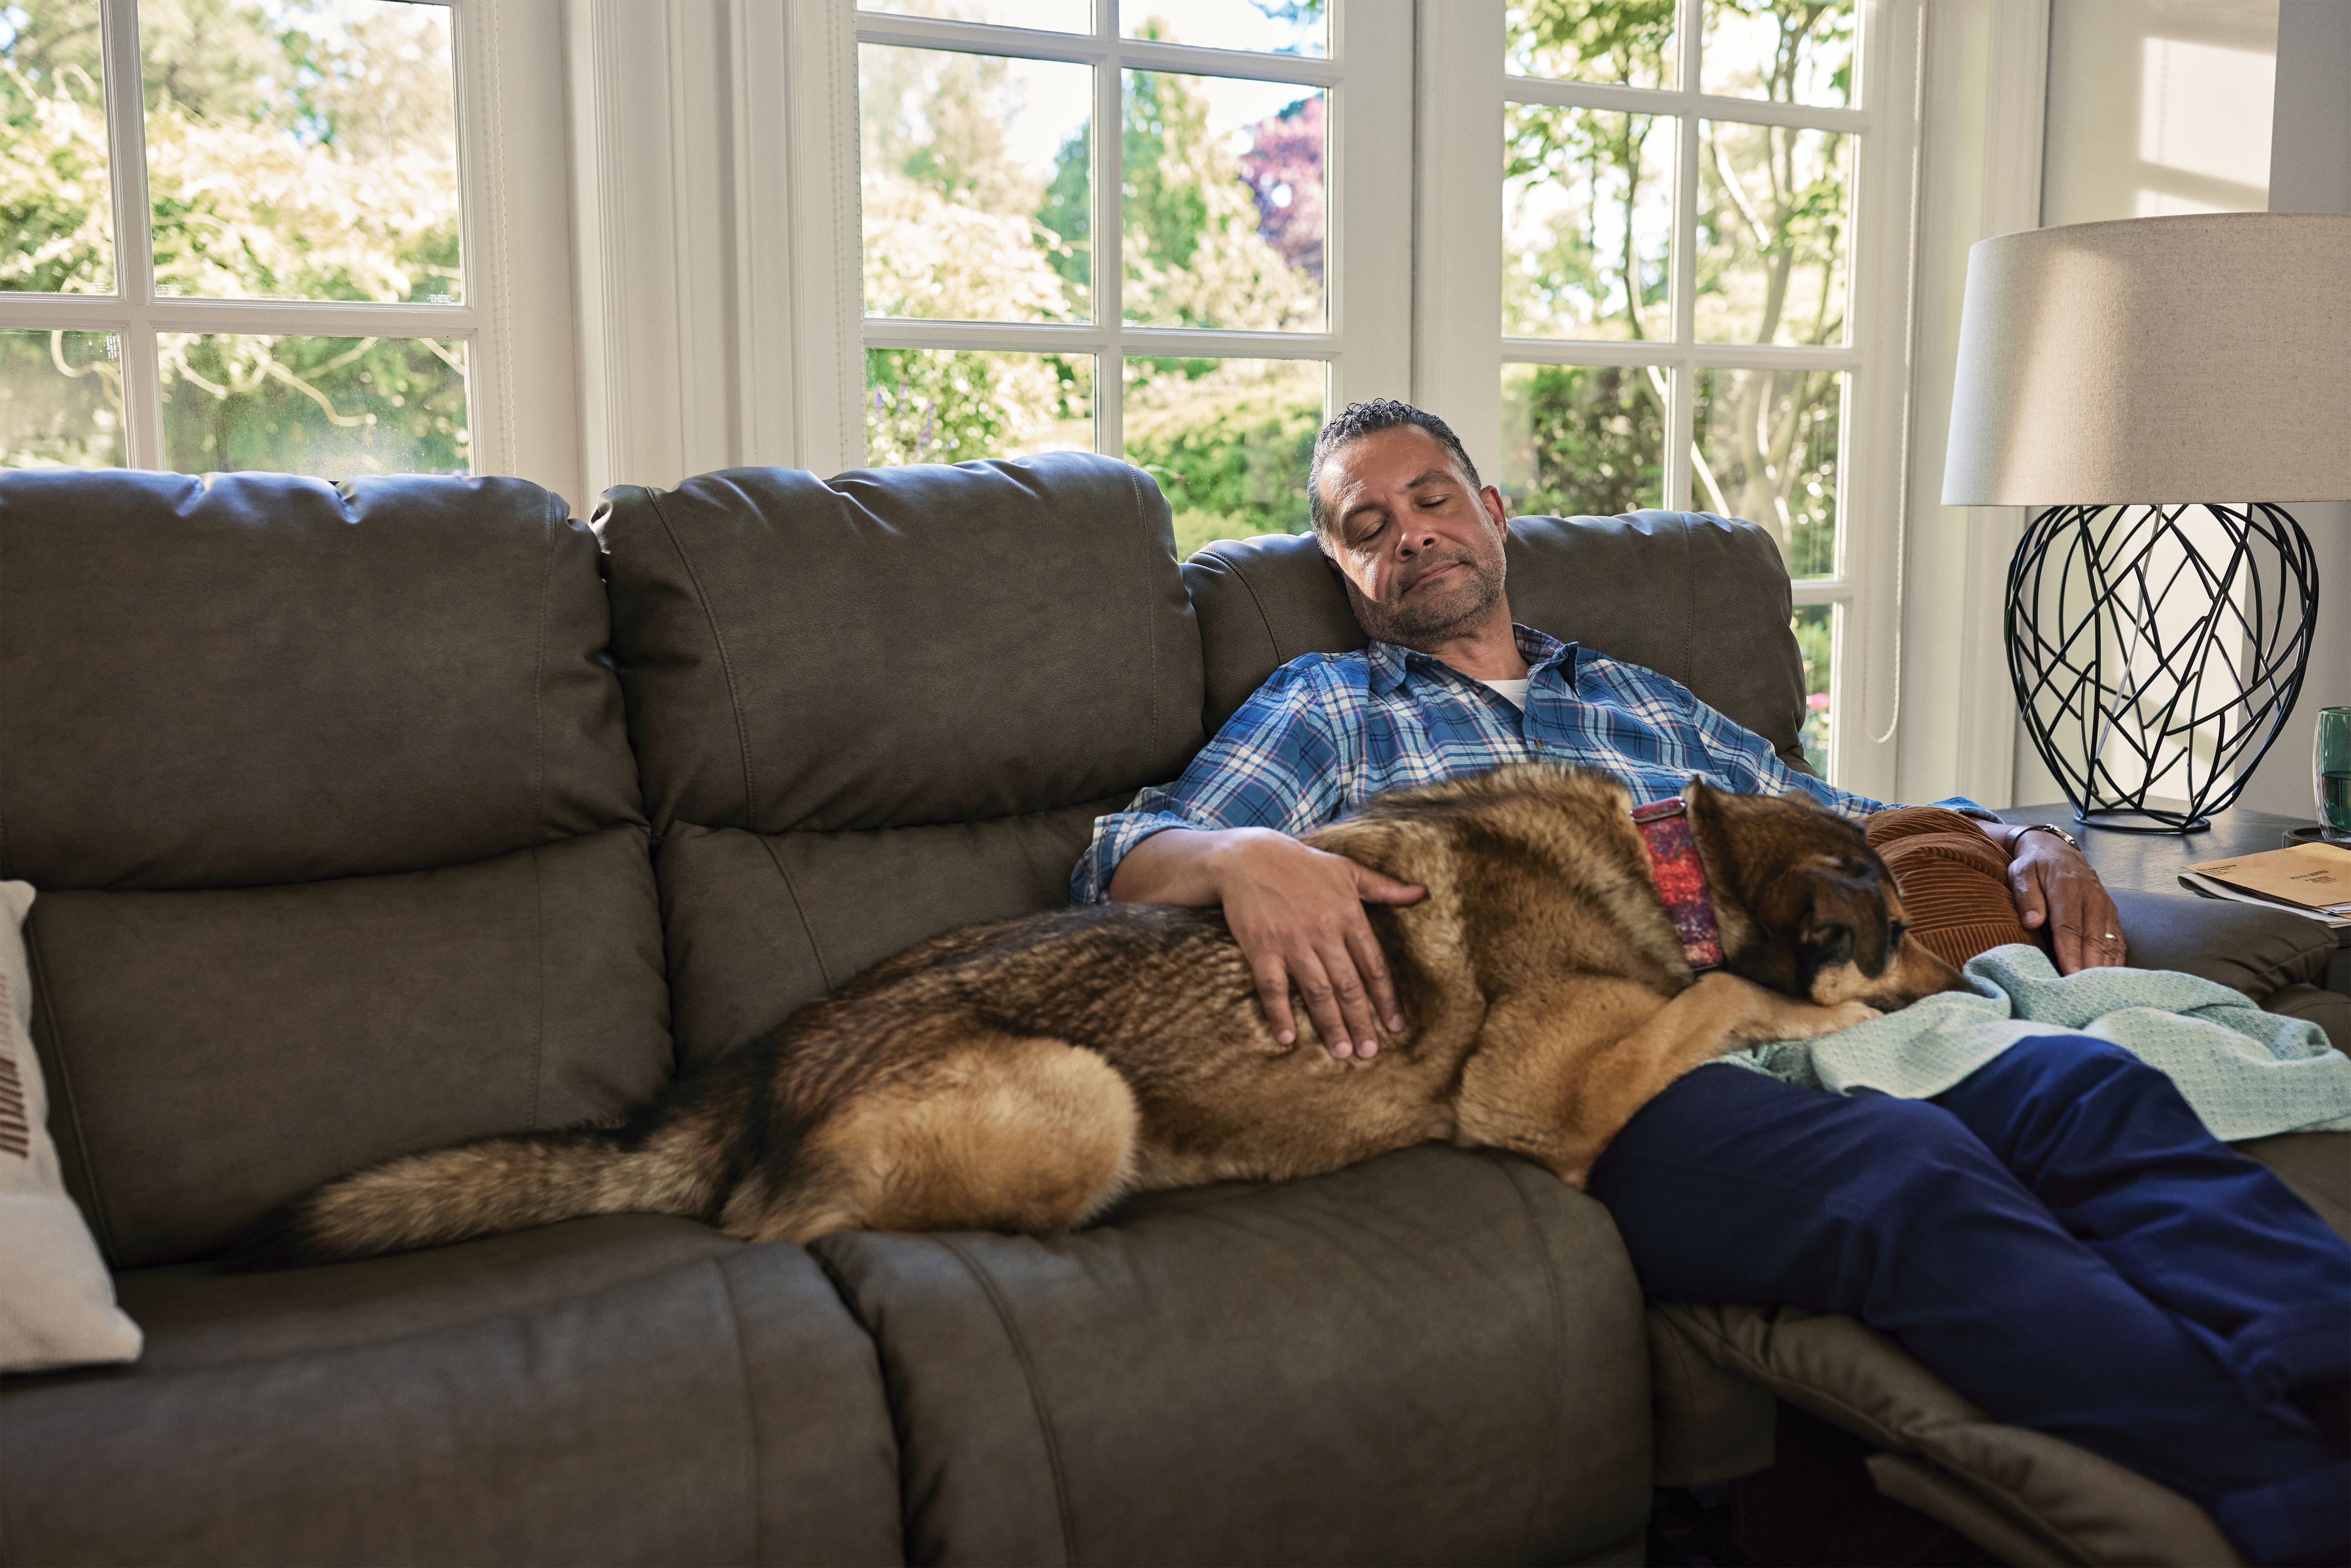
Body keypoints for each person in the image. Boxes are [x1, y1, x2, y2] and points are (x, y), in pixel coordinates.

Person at [1071, 399, 2350, 1566]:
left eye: (1430, 498)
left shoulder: (1641, 700)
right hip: (1615, 1073)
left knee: (2086, 1087)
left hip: (1811, 1011)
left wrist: (2023, 835)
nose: (1407, 535)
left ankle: (2327, 1367)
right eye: (1366, 527)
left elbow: (1849, 816)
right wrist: (1243, 853)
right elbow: (1116, 865)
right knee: (1905, 1182)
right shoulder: (1331, 706)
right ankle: (2290, 1494)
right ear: (1348, 577)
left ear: (1492, 513)